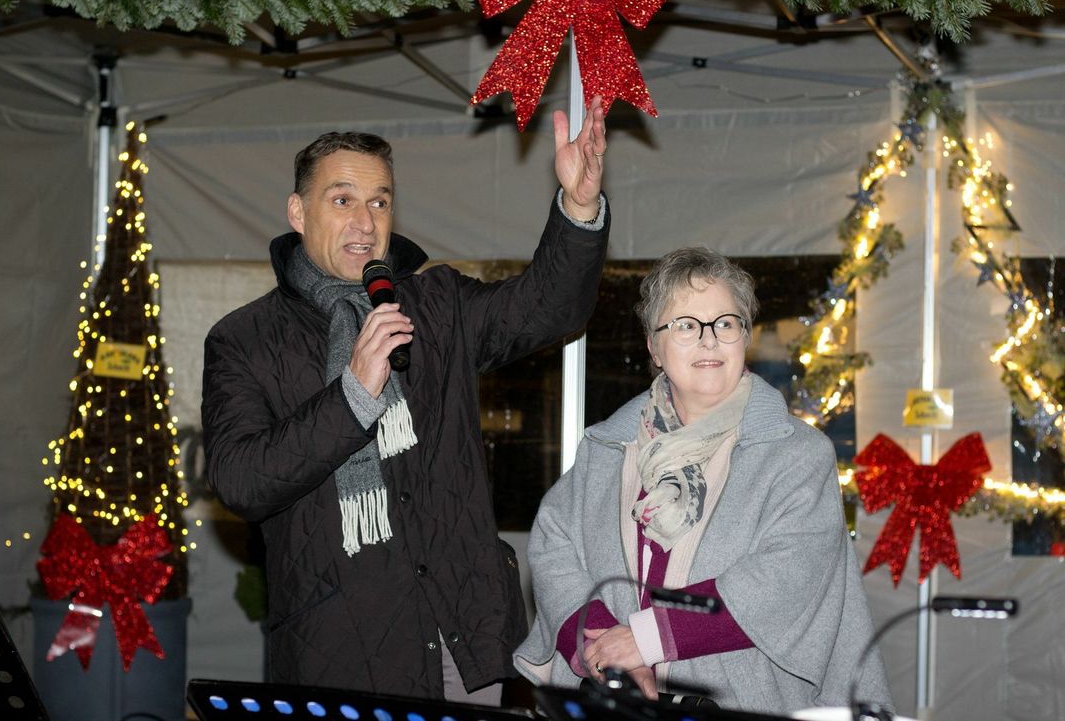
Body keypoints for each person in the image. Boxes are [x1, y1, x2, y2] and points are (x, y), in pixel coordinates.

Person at [201, 98, 610, 702]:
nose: (365, 222)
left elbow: (547, 309)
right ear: (297, 211)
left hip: (464, 631)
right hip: (340, 645)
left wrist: (578, 208)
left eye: (380, 201)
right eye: (342, 200)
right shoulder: (243, 340)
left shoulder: (435, 305)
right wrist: (351, 398)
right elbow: (241, 482)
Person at [514, 247, 892, 715]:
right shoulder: (607, 448)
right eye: (686, 326)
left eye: (725, 323)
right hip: (614, 703)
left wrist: (647, 640)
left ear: (744, 338)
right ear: (654, 347)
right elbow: (554, 547)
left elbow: (783, 577)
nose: (709, 340)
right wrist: (601, 648)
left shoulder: (798, 454)